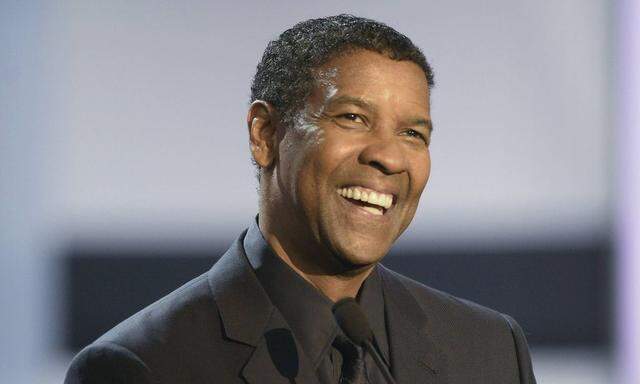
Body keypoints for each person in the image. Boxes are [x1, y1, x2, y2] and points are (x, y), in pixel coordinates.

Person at [65, 14, 536, 384]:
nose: (389, 157)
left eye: (413, 133)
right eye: (352, 117)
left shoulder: (490, 349)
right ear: (265, 134)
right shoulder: (142, 367)